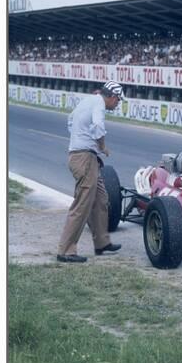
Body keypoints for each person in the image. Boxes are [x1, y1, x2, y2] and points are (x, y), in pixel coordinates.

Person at [56, 81, 123, 263]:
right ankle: (66, 251)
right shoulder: (99, 105)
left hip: (86, 156)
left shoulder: (88, 100)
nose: (117, 104)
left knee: (101, 199)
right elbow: (99, 127)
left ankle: (102, 242)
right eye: (118, 100)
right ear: (112, 96)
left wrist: (81, 140)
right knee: (82, 205)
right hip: (84, 158)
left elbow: (70, 121)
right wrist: (101, 146)